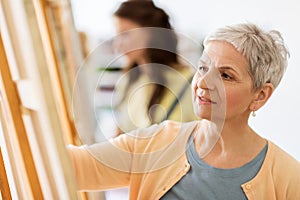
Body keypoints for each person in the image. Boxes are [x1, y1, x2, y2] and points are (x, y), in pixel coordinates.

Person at [68, 23, 300, 199]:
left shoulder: (288, 179)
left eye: (226, 75)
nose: (203, 82)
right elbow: (72, 166)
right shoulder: (155, 143)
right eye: (203, 67)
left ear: (260, 95)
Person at [111, 0, 197, 134]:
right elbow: (118, 137)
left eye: (125, 34)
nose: (118, 45)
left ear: (151, 32)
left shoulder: (190, 84)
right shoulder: (127, 82)